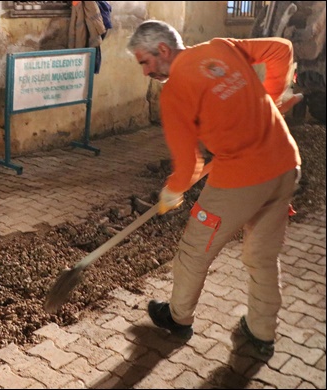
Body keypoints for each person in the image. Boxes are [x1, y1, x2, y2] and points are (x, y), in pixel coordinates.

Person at [127, 20, 302, 356]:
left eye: (144, 62)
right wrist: (273, 92)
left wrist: (172, 192)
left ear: (162, 50)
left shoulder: (176, 89)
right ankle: (262, 333)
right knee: (262, 256)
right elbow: (282, 48)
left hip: (240, 179)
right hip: (285, 164)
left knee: (194, 251)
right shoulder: (220, 47)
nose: (145, 71)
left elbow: (187, 164)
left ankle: (178, 319)